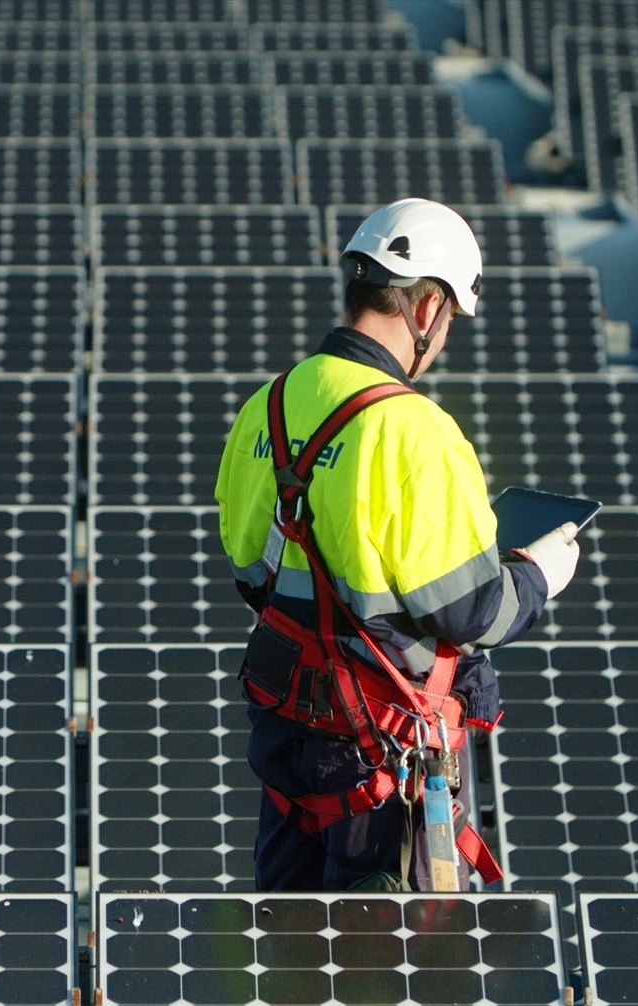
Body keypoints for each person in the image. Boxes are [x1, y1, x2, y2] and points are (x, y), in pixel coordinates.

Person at [214, 197, 582, 891]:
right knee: (395, 976)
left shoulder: (264, 406)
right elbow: (471, 611)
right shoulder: (416, 431)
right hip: (384, 766)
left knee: (287, 961)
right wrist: (538, 576)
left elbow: (251, 573)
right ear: (427, 306)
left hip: (291, 751)